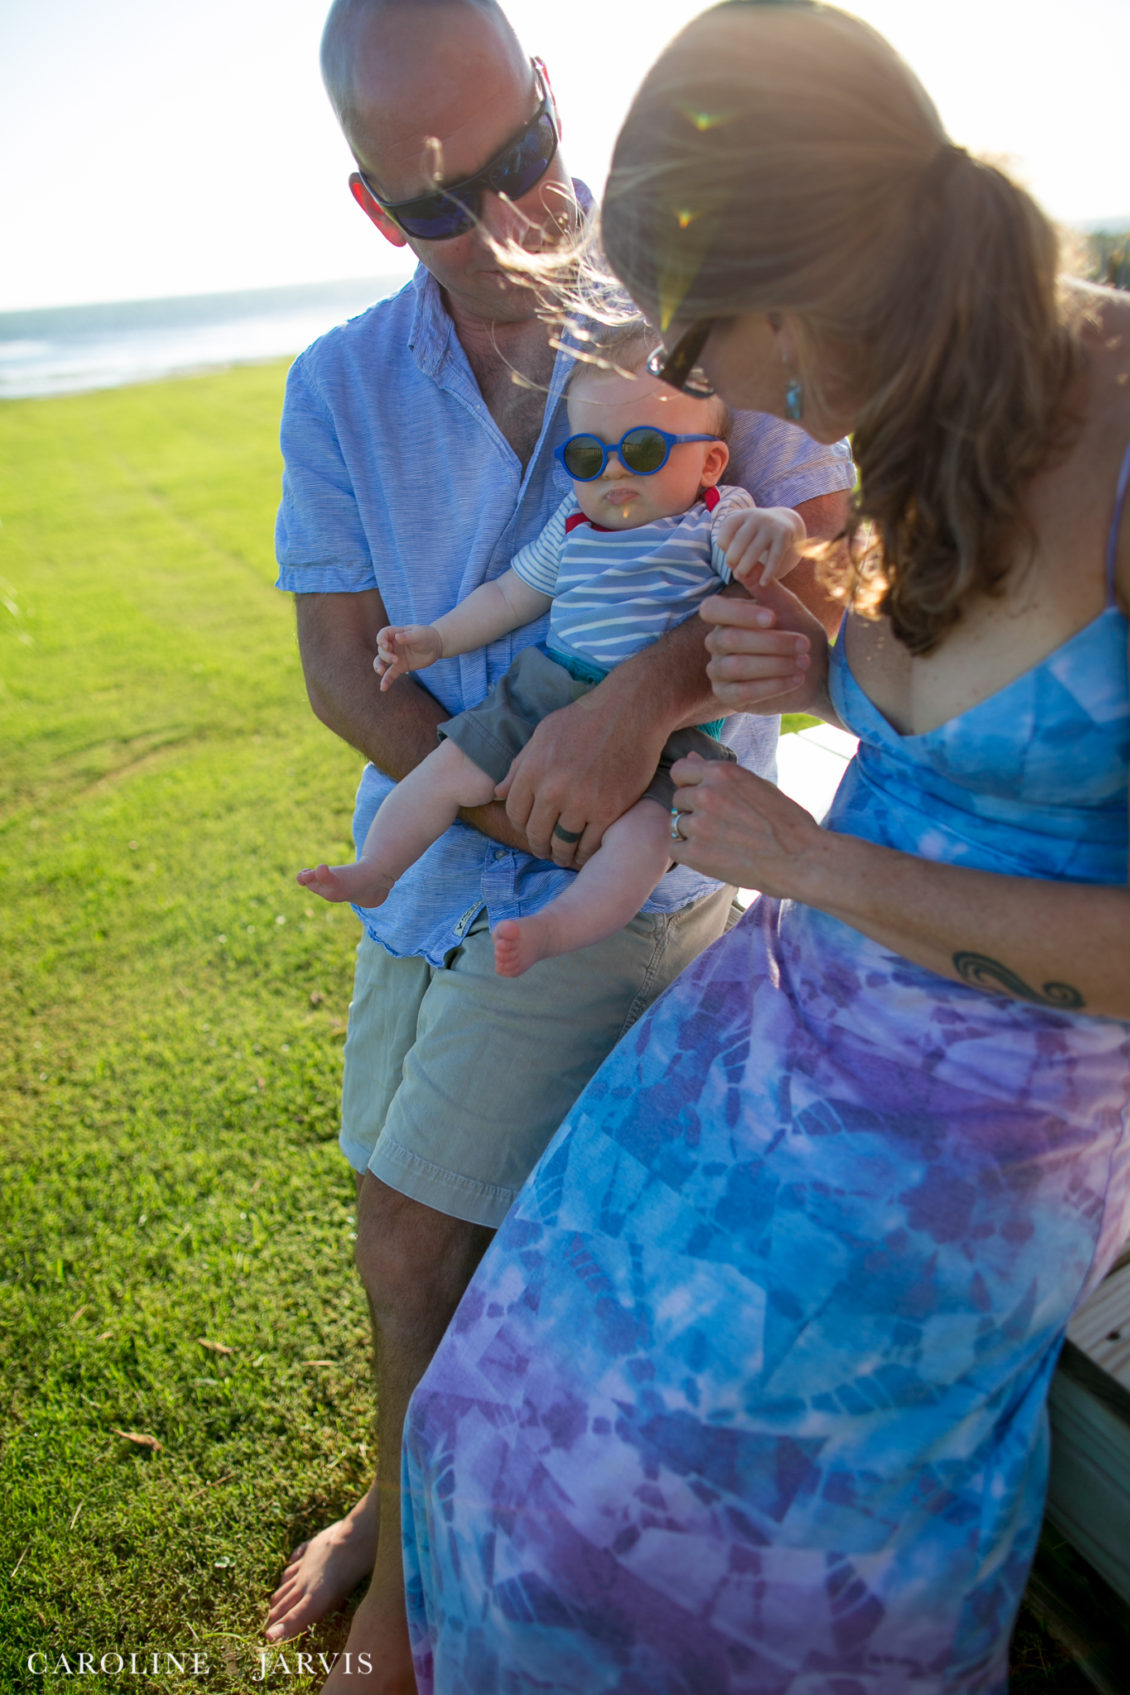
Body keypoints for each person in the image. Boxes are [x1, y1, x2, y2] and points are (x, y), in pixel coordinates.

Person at [399, 3, 1130, 1691]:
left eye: (702, 342)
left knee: (674, 1510)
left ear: (797, 287)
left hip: (996, 1115)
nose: (707, 389)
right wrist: (821, 668)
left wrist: (822, 868)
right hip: (793, 1013)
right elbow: (950, 699)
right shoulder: (920, 405)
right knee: (503, 1396)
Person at [266, 0, 853, 1685]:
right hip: (452, 858)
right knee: (389, 1173)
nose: (507, 224)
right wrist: (517, 789)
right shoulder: (339, 384)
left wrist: (645, 703)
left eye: (521, 166)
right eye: (441, 203)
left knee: (408, 1227)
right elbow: (335, 659)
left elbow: (826, 534)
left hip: (649, 867)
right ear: (377, 206)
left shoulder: (696, 320)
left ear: (552, 103)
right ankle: (404, 1496)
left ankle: (412, 1586)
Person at [297, 333, 807, 978]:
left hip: (672, 728)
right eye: (589, 455)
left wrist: (781, 529)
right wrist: (435, 639)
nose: (614, 471)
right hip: (547, 683)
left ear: (709, 465)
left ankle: (556, 928)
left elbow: (775, 566)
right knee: (444, 772)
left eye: (644, 449)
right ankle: (377, 869)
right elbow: (511, 596)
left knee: (644, 843)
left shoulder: (715, 519)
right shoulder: (574, 522)